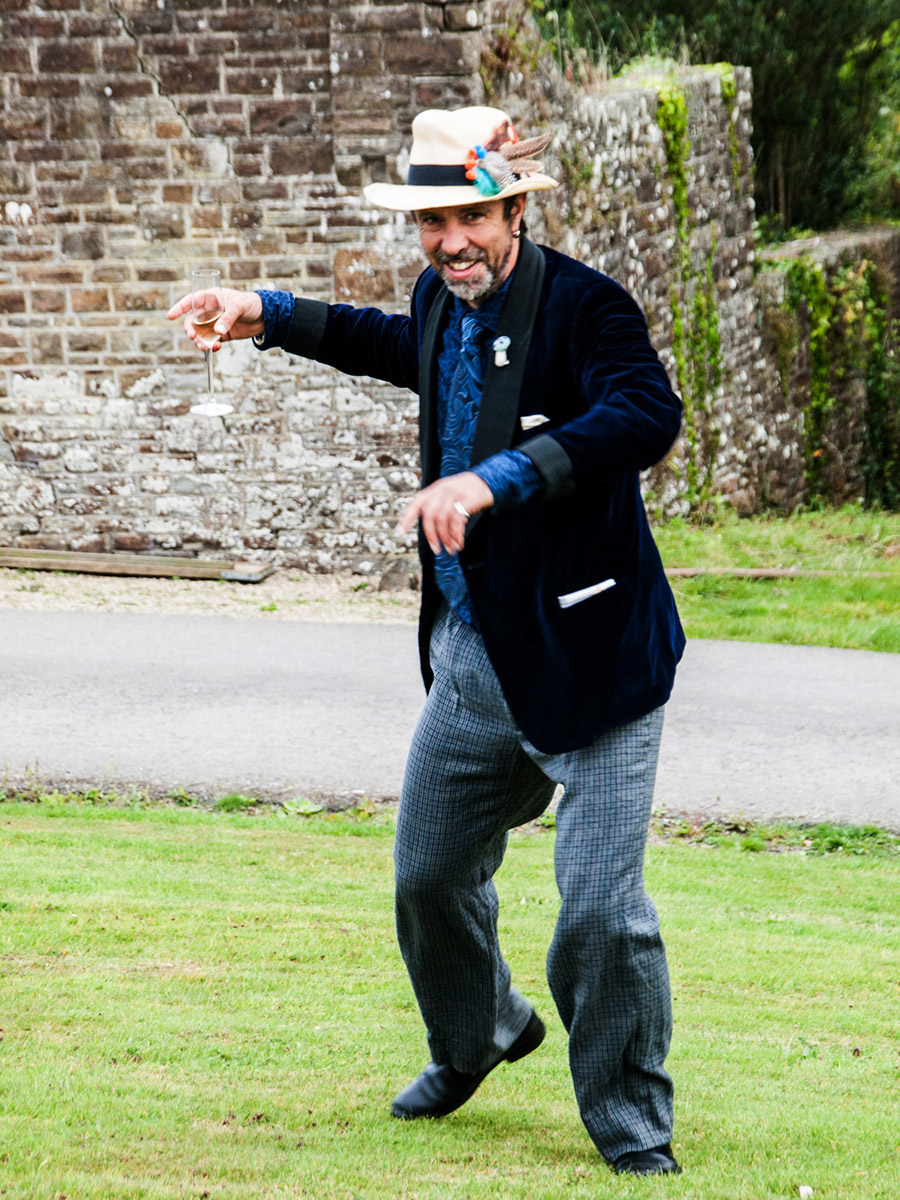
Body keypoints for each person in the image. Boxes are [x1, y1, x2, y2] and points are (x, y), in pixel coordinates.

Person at [168, 105, 686, 1178]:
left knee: (600, 916)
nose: (451, 243)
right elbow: (392, 345)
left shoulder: (588, 308)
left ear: (515, 210)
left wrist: (501, 478)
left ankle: (634, 1126)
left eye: (471, 219)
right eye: (432, 222)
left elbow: (646, 414)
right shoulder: (439, 299)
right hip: (476, 660)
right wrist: (263, 312)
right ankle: (478, 1034)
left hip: (595, 667)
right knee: (427, 877)